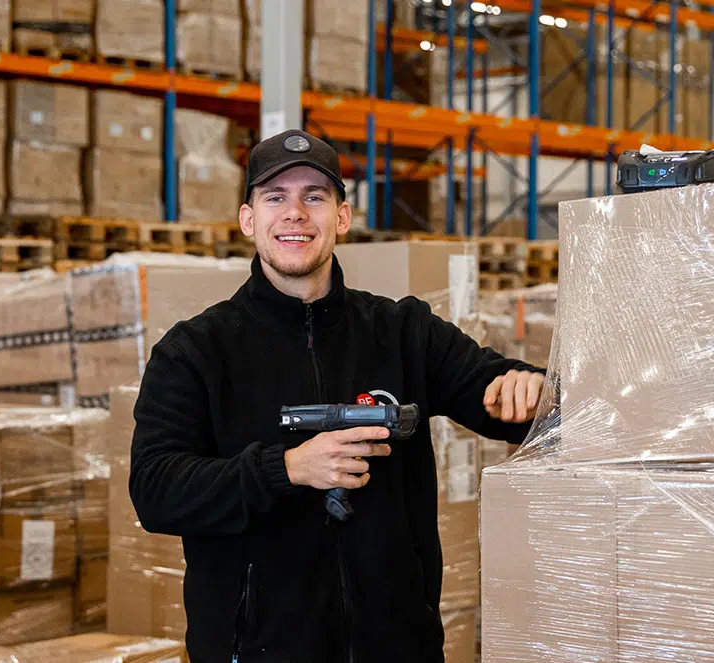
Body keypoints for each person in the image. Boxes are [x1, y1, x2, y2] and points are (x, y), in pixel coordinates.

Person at [128, 129, 545, 663]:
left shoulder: (404, 332)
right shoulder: (195, 352)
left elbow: (496, 392)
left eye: (315, 196)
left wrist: (528, 385)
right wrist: (287, 469)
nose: (295, 213)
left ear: (342, 217)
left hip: (398, 649)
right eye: (275, 197)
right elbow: (156, 490)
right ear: (248, 220)